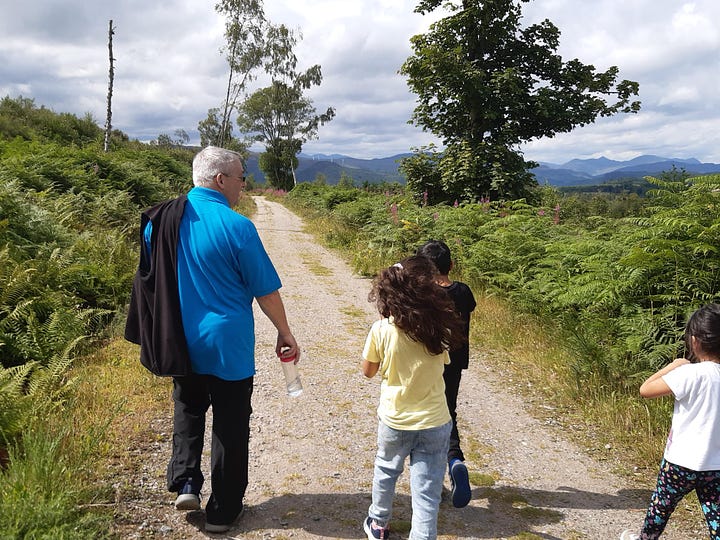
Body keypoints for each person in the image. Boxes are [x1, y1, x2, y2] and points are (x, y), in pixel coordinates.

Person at [125, 145, 300, 534]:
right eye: (241, 177)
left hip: (178, 338)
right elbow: (265, 291)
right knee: (231, 423)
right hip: (226, 345)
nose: (243, 184)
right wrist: (284, 332)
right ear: (221, 180)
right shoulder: (237, 227)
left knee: (187, 407)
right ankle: (222, 510)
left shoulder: (160, 221)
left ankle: (186, 480)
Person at [361, 256, 466, 540]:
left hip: (396, 419)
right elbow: (442, 363)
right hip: (435, 421)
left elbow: (368, 371)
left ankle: (378, 524)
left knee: (386, 472)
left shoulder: (382, 330)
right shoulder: (439, 329)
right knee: (427, 491)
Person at [620, 304, 720, 540]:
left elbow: (645, 389)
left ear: (694, 341)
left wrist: (673, 366)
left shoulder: (689, 374)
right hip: (715, 466)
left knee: (660, 508)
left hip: (679, 463)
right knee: (716, 517)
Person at [417, 240, 476, 508]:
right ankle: (455, 460)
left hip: (426, 363)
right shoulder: (463, 292)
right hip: (454, 363)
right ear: (451, 265)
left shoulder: (421, 293)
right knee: (447, 412)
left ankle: (431, 477)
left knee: (423, 418)